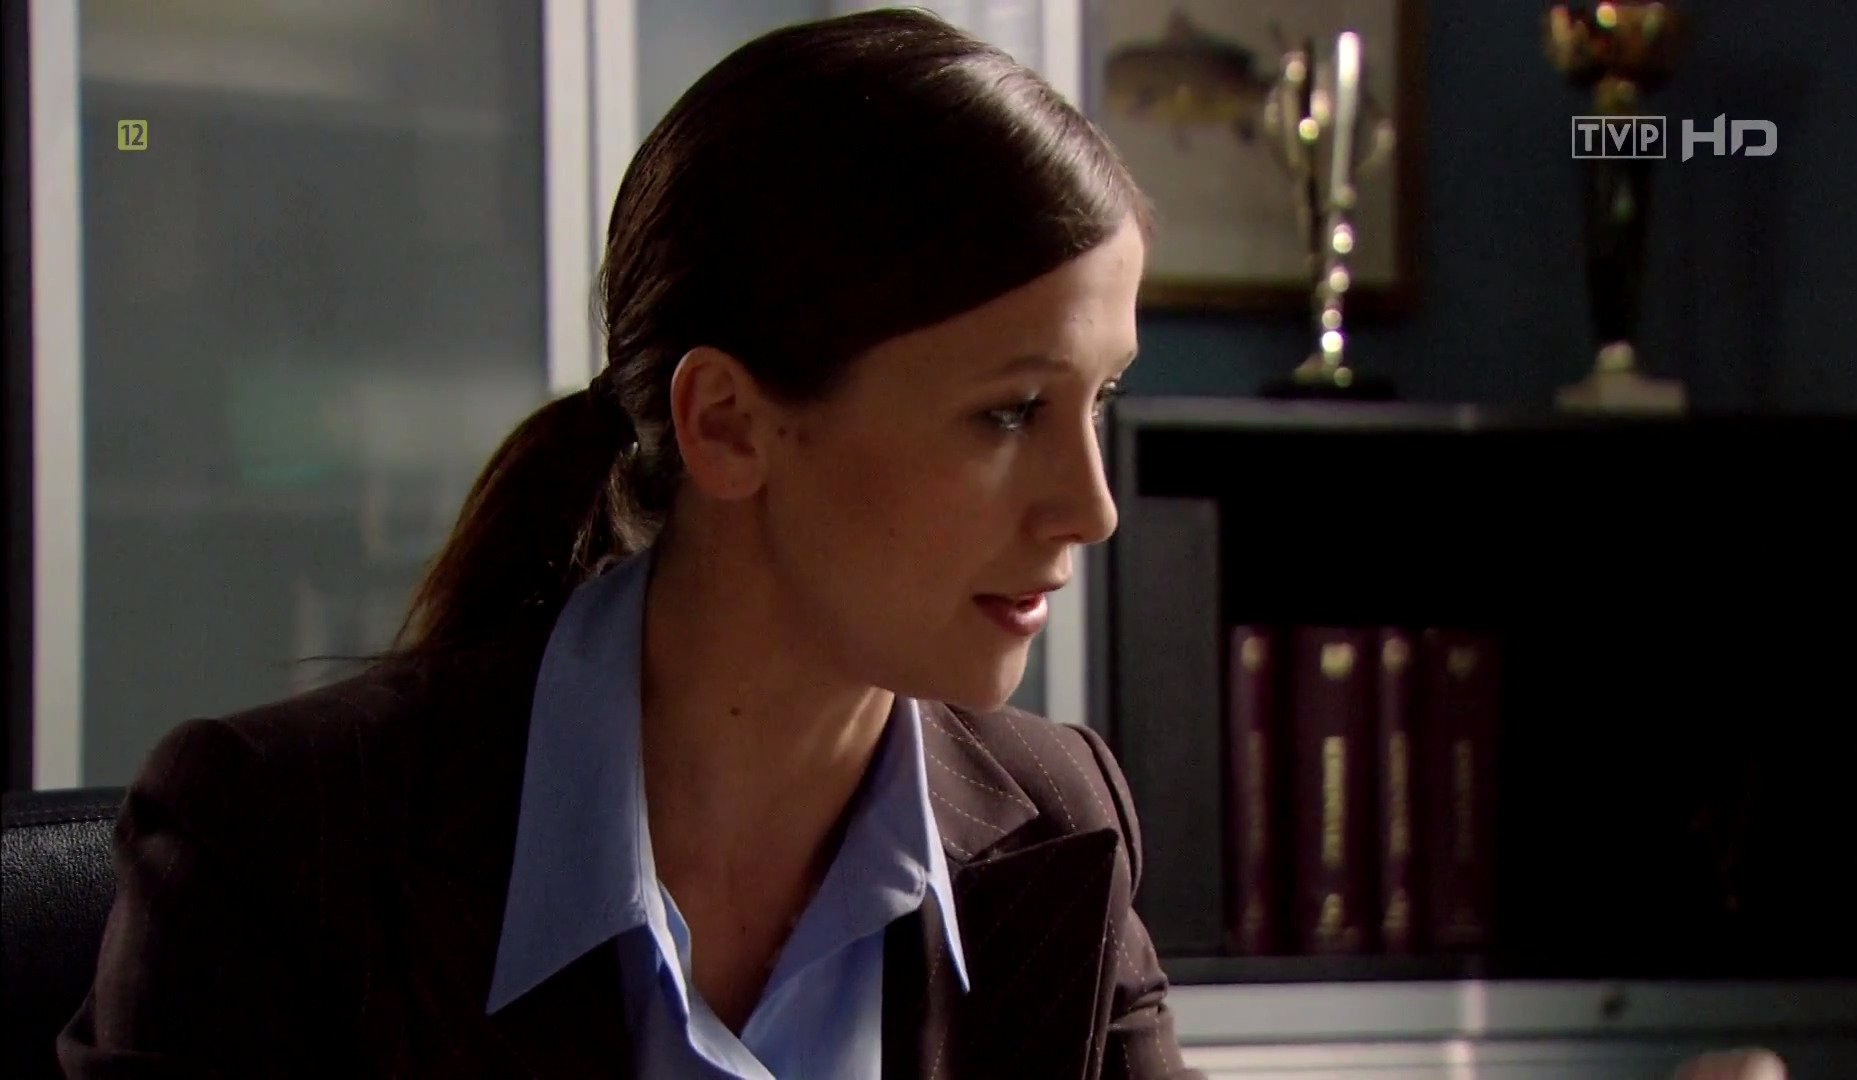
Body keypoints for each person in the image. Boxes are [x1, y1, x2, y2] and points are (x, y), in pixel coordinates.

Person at [57, 8, 1198, 1079]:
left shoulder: (1060, 821)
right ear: (727, 424)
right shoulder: (276, 846)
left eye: (1099, 399)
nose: (1091, 508)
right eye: (1010, 412)